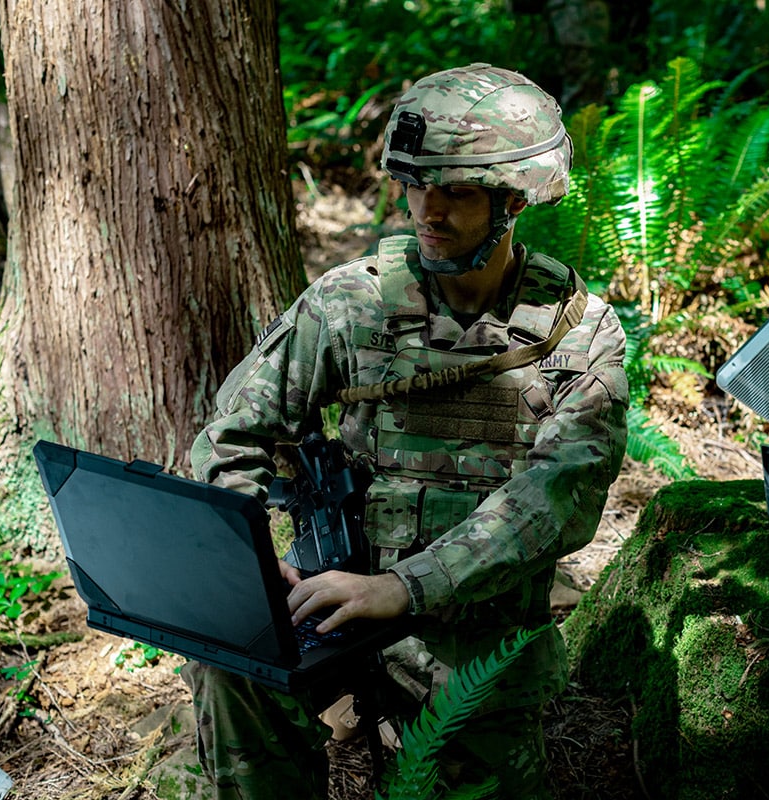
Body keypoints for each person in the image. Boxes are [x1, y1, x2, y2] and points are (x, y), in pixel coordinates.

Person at [183, 62, 629, 799]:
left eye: (454, 191)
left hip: (472, 633)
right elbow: (232, 435)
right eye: (415, 185)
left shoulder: (578, 336)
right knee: (228, 665)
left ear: (513, 200)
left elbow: (558, 501)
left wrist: (403, 587)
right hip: (334, 599)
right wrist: (257, 561)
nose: (427, 210)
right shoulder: (350, 304)